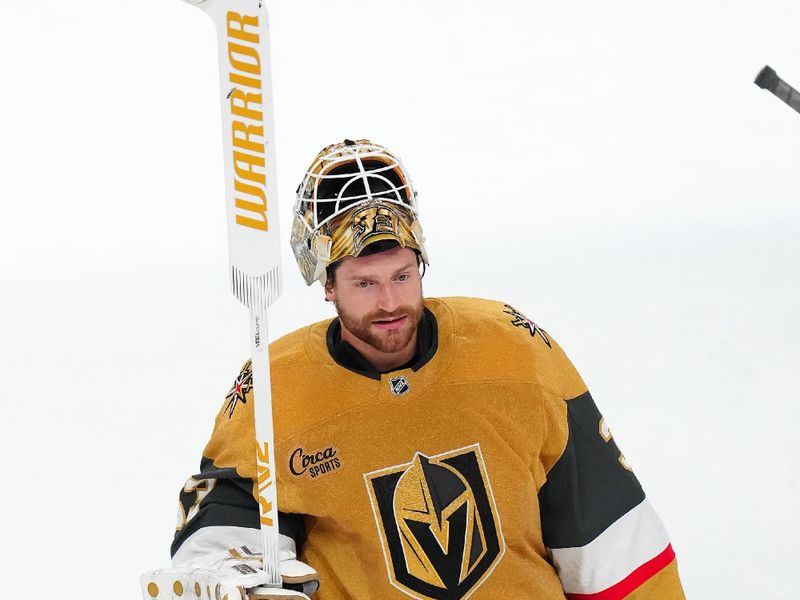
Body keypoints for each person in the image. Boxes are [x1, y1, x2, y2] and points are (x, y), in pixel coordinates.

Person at [141, 139, 686, 600]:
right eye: (364, 283)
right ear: (326, 286)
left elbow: (611, 538)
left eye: (403, 275)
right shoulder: (274, 386)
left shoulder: (510, 348)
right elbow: (227, 525)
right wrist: (234, 572)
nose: (389, 302)